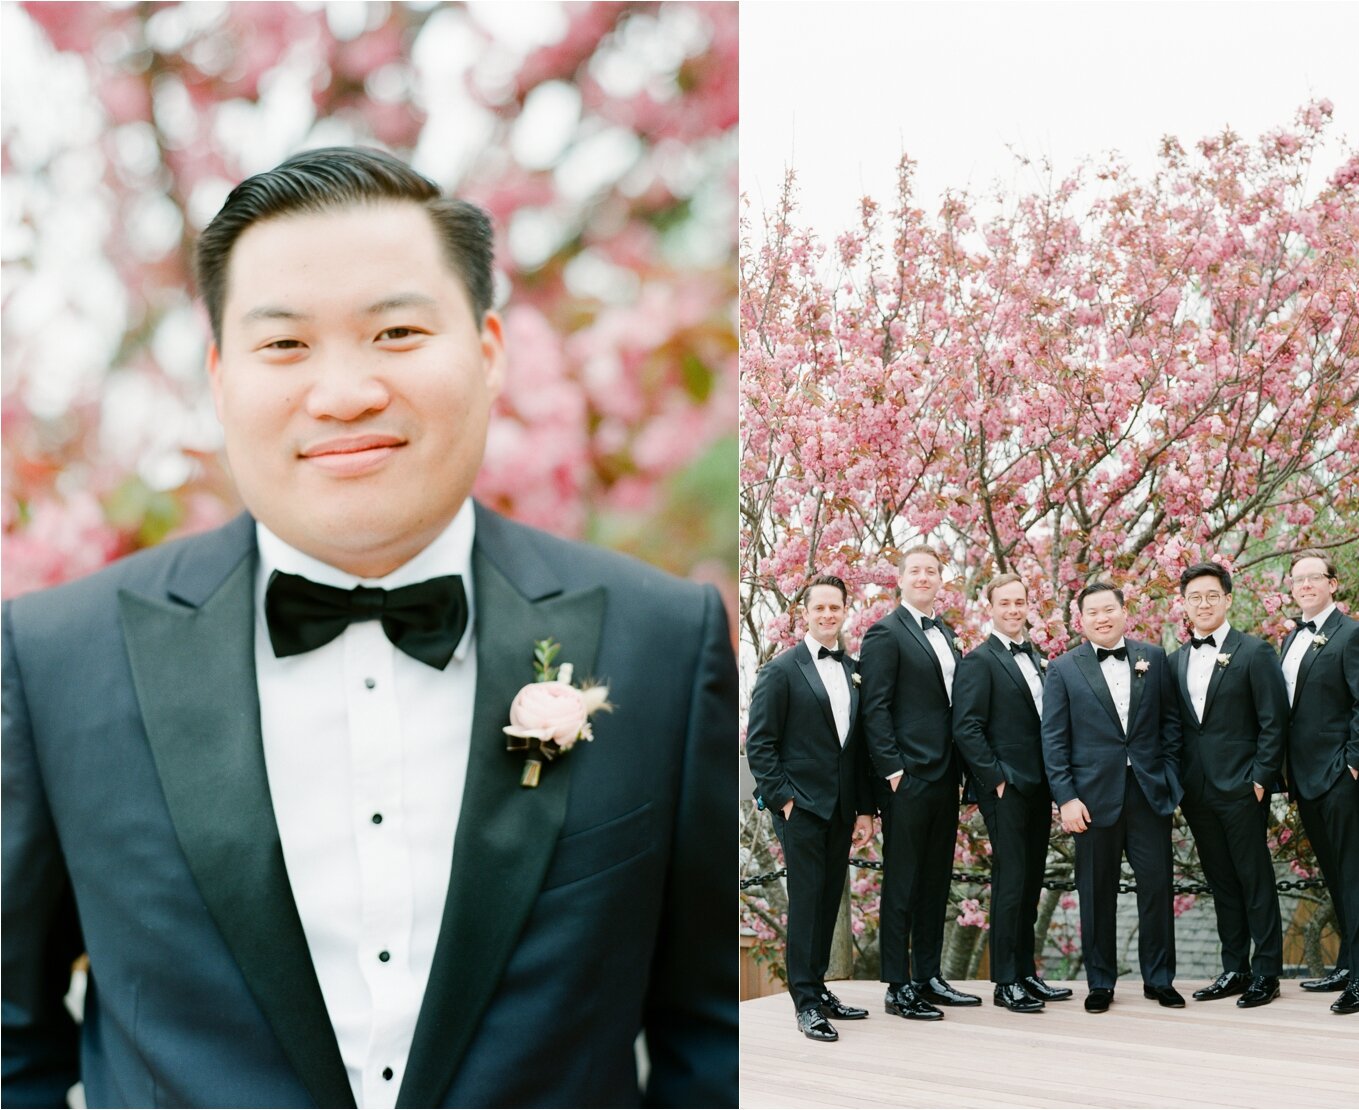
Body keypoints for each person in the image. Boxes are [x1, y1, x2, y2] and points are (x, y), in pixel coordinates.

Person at [1, 147, 737, 1108]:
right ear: (221, 375)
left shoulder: (663, 642)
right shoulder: (57, 658)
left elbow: (712, 1043)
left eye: (395, 331)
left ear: (487, 349)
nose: (344, 392)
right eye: (284, 345)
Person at [1040, 581, 1183, 1013]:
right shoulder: (1063, 669)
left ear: (1124, 612)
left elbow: (1171, 726)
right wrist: (1065, 798)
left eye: (1109, 610)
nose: (1102, 618)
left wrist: (1170, 780)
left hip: (1148, 793)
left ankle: (1159, 979)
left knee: (1157, 888)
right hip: (1090, 800)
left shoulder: (1154, 658)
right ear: (1080, 620)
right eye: (1093, 613)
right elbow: (1054, 740)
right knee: (1096, 892)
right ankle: (1100, 982)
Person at [745, 575, 877, 1042]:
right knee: (806, 904)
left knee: (828, 900)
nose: (826, 615)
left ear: (845, 610)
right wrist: (783, 800)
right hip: (799, 808)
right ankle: (805, 1003)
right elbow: (759, 745)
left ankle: (819, 989)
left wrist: (864, 808)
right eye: (818, 608)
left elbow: (857, 749)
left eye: (834, 607)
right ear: (805, 613)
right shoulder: (781, 670)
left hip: (842, 808)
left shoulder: (854, 669)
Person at [860, 547, 980, 1019]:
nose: (924, 577)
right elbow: (875, 707)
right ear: (900, 580)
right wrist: (893, 771)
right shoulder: (885, 633)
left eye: (932, 571)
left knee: (935, 881)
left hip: (945, 777)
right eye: (916, 571)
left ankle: (929, 977)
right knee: (903, 884)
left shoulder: (946, 633)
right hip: (906, 779)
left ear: (940, 580)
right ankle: (897, 985)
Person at [1167, 562, 1287, 1009]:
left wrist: (1260, 779)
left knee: (1254, 878)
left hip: (1242, 787)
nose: (1203, 603)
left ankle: (1267, 971)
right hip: (1196, 792)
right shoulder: (1175, 659)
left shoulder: (1255, 652)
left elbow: (1275, 723)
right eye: (1194, 597)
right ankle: (1235, 967)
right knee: (1221, 881)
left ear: (1228, 599)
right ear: (1184, 604)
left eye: (1211, 595)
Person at [952, 571, 1072, 1013]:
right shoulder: (979, 661)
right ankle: (1005, 982)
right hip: (1006, 787)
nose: (1014, 610)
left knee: (1030, 884)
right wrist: (996, 779)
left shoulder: (1038, 657)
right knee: (1009, 883)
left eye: (1020, 602)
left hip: (1040, 785)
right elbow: (966, 726)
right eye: (1005, 603)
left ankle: (1026, 973)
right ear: (992, 607)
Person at [1280, 550, 1359, 1014]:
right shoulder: (1290, 638)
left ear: (1333, 584)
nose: (1305, 585)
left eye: (1314, 577)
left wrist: (1355, 765)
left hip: (1343, 776)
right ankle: (1347, 963)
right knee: (1336, 875)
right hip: (1305, 778)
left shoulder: (1353, 635)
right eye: (1298, 578)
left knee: (1356, 874)